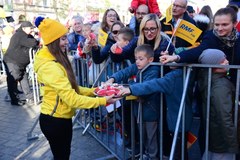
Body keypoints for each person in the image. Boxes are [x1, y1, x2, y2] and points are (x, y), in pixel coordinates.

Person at [33, 16, 120, 160]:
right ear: (52, 42)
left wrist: (95, 91)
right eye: (62, 39)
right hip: (55, 121)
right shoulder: (50, 66)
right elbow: (72, 98)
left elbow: (72, 88)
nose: (66, 42)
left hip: (60, 119)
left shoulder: (54, 59)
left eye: (65, 38)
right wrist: (102, 101)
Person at [117, 57, 193, 160]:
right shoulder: (188, 73)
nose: (169, 59)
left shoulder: (173, 77)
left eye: (173, 57)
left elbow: (152, 85)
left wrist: (131, 88)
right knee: (180, 150)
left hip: (176, 120)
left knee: (177, 151)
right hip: (181, 117)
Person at [105, 44, 160, 160]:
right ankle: (144, 155)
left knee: (151, 138)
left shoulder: (154, 70)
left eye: (141, 59)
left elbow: (145, 87)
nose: (137, 62)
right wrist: (112, 78)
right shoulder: (139, 67)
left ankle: (153, 157)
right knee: (142, 136)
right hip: (139, 111)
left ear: (150, 59)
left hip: (150, 112)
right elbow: (125, 72)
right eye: (136, 59)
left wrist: (127, 87)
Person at [198, 49, 238, 160]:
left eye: (225, 58)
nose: (227, 61)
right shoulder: (220, 86)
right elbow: (224, 116)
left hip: (215, 136)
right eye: (222, 61)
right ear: (214, 66)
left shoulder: (210, 79)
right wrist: (233, 143)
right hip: (223, 141)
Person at [3, 21, 39, 106]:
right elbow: (33, 42)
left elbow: (33, 42)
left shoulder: (25, 35)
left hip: (19, 63)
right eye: (30, 28)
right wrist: (36, 42)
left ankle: (29, 97)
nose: (32, 30)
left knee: (23, 78)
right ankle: (14, 99)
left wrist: (35, 40)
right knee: (13, 79)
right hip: (12, 61)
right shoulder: (20, 35)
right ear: (24, 28)